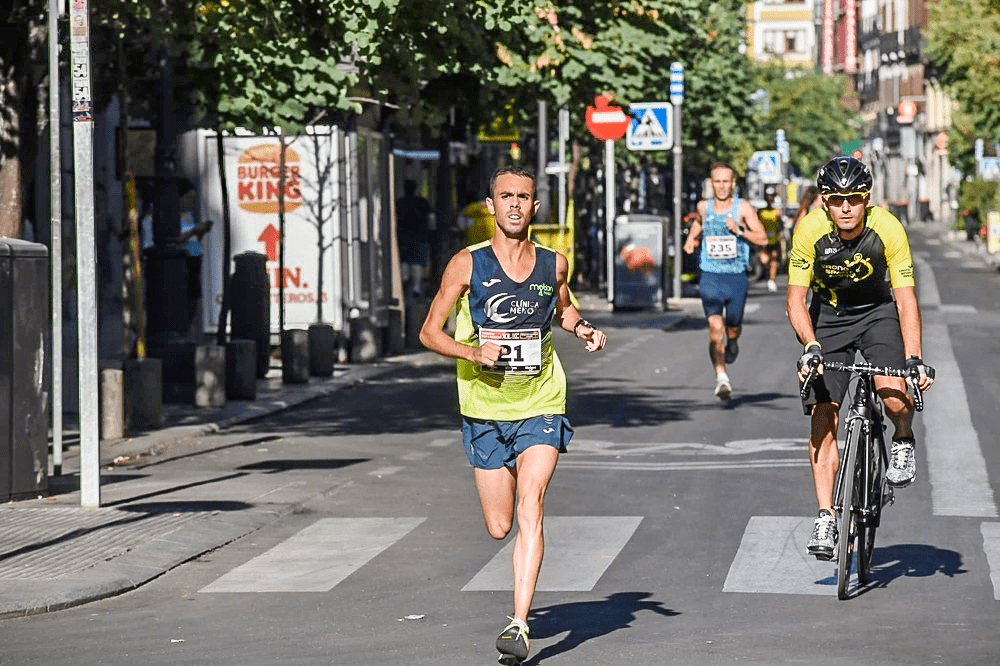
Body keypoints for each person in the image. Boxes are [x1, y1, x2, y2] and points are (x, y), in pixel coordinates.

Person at [419, 165, 607, 664]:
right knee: (499, 526)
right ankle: (521, 608)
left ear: (535, 207)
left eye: (524, 197)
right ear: (491, 205)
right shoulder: (466, 265)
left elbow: (562, 308)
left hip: (542, 400)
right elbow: (429, 332)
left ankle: (519, 623)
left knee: (531, 508)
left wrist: (582, 328)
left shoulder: (554, 264)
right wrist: (473, 353)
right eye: (507, 197)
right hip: (483, 407)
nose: (516, 205)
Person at [786, 155, 935, 560]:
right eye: (836, 200)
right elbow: (796, 300)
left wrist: (914, 357)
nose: (846, 207)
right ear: (824, 202)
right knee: (823, 412)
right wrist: (810, 346)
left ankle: (902, 437)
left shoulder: (887, 229)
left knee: (891, 391)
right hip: (829, 316)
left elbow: (905, 299)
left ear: (866, 199)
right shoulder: (809, 231)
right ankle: (825, 515)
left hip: (876, 312)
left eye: (854, 198)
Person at [682, 162, 768, 401]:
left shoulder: (743, 208)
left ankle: (733, 341)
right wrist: (691, 239)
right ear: (712, 184)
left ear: (733, 184)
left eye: (725, 181)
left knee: (733, 326)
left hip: (736, 276)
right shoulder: (703, 206)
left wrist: (739, 230)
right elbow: (699, 222)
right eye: (716, 181)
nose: (721, 186)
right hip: (710, 275)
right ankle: (721, 377)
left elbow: (762, 239)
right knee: (715, 328)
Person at [396, 179, 434, 296]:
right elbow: (431, 218)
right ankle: (416, 287)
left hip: (403, 236)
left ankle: (405, 279)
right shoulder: (422, 202)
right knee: (417, 262)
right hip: (420, 236)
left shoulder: (400, 202)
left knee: (405, 261)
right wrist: (431, 231)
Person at [757, 190, 784, 292]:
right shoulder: (760, 212)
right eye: (768, 196)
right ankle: (766, 275)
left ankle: (771, 280)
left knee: (774, 259)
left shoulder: (776, 212)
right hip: (763, 241)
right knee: (764, 261)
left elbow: (780, 225)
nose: (770, 199)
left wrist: (781, 234)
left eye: (772, 197)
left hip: (774, 240)